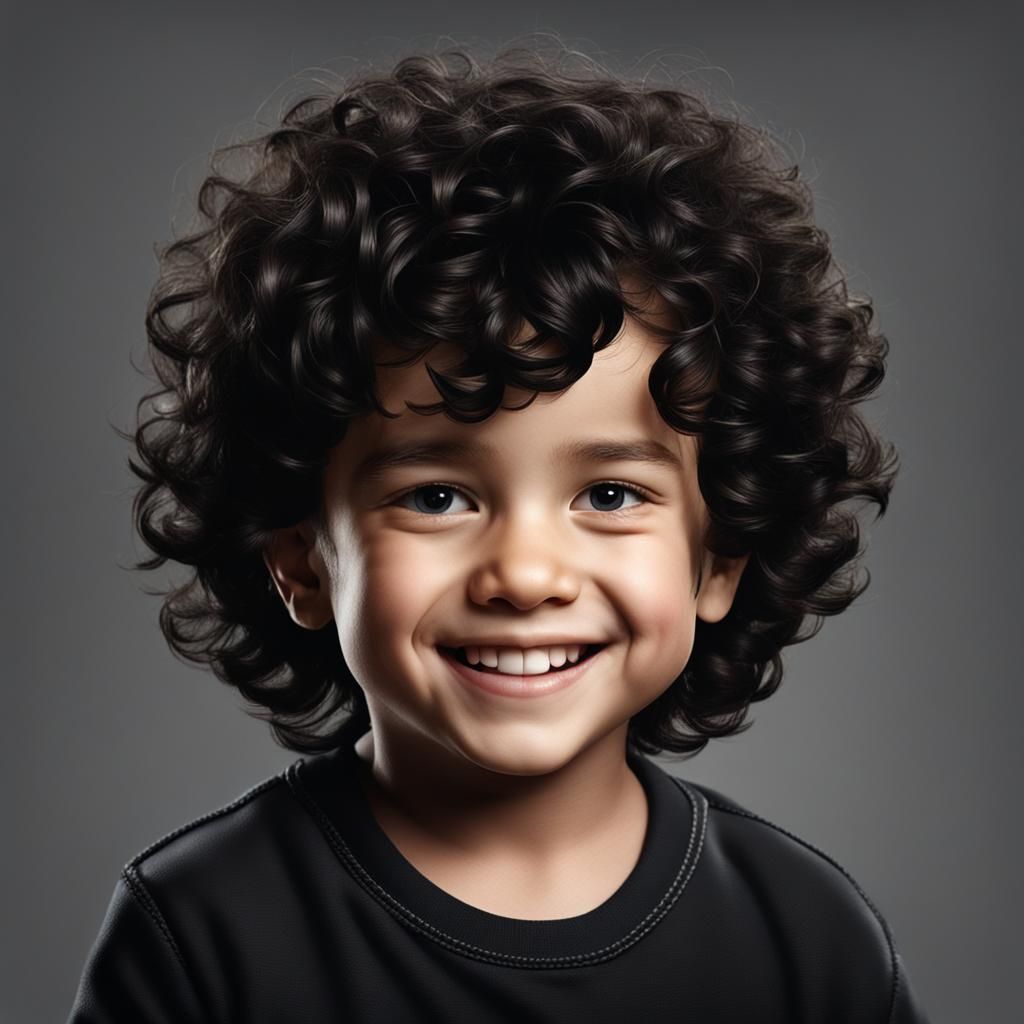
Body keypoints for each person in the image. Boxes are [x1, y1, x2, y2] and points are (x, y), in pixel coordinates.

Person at [68, 44, 931, 1022]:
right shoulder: (201, 936)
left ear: (719, 553)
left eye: (608, 494)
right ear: (299, 556)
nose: (525, 573)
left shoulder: (807, 942)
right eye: (438, 496)